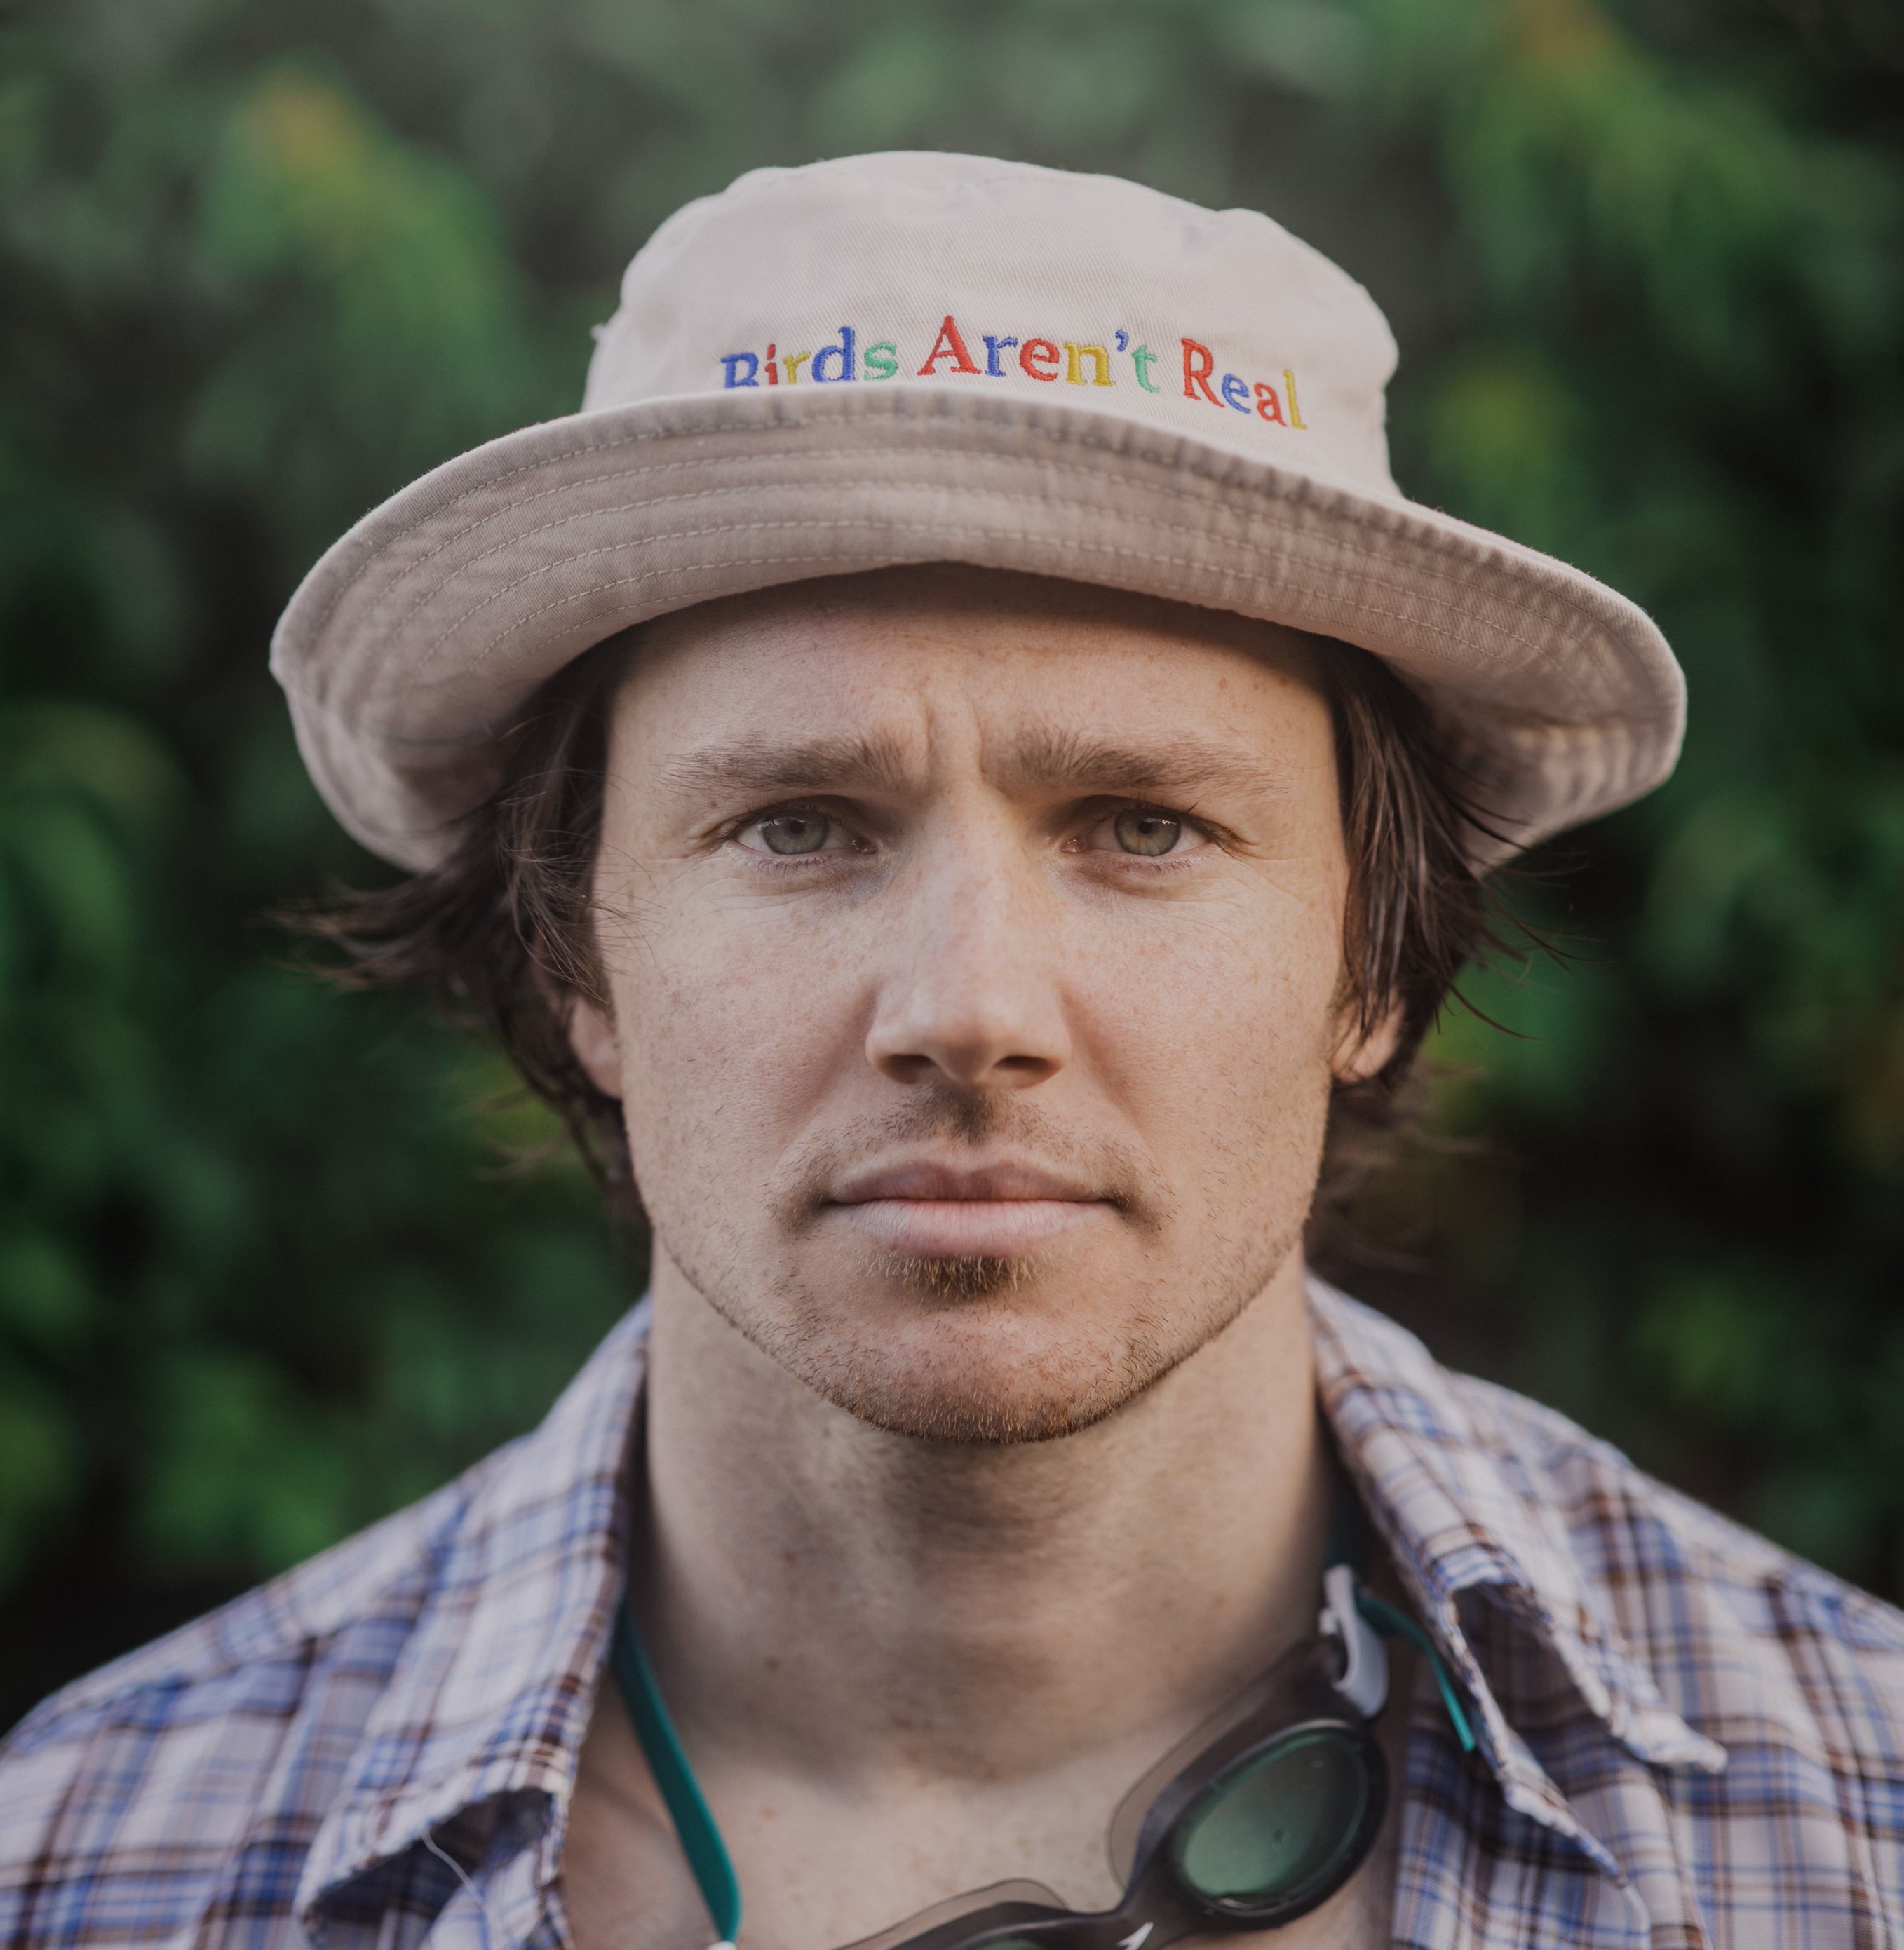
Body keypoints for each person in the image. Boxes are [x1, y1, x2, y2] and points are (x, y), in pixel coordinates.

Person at [1, 152, 1898, 1950]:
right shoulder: (87, 1859)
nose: (968, 1011)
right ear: (574, 954)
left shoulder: (1854, 1815)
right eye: (800, 824)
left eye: (1141, 826)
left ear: (1368, 960)